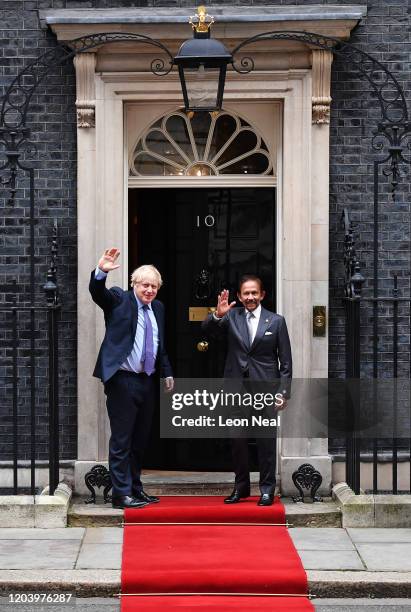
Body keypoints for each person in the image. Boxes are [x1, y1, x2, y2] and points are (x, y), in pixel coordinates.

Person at [89, 248, 174, 509]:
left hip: (147, 381)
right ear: (134, 284)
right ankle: (120, 494)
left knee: (139, 440)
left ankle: (136, 489)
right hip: (123, 380)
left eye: (154, 286)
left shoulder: (157, 308)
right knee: (122, 440)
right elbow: (97, 293)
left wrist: (167, 371)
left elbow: (159, 344)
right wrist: (101, 272)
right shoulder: (119, 299)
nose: (149, 290)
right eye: (145, 285)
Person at [202, 275, 292, 506]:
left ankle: (266, 489)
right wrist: (218, 314)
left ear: (262, 295)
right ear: (240, 296)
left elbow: (286, 363)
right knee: (237, 441)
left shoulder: (276, 321)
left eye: (254, 293)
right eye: (246, 293)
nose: (250, 297)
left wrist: (283, 393)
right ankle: (241, 487)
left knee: (265, 443)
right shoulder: (231, 317)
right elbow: (207, 331)